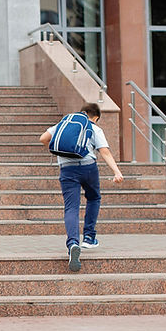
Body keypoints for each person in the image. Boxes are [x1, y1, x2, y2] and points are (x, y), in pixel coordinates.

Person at [38, 103, 124, 272]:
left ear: (82, 112)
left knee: (71, 207)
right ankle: (89, 237)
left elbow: (43, 138)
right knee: (93, 198)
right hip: (88, 167)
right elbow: (104, 151)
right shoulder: (94, 128)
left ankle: (72, 244)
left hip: (67, 169)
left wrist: (57, 152)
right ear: (96, 117)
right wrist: (116, 172)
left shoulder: (63, 123)